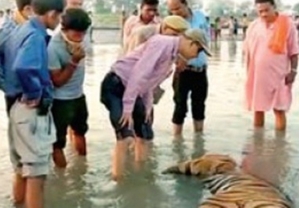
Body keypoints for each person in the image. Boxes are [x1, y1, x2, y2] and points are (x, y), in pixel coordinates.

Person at [100, 28, 211, 181]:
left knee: (145, 134)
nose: (196, 56)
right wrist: (127, 107)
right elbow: (139, 73)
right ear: (192, 43)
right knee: (125, 135)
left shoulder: (171, 58)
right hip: (116, 85)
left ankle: (141, 175)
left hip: (133, 89)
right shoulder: (161, 43)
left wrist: (147, 107)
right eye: (198, 51)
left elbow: (148, 84)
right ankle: (118, 181)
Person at [4, 0, 64, 206]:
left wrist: (6, 86)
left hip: (15, 107)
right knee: (36, 175)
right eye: (60, 17)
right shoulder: (36, 36)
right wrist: (35, 93)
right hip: (31, 110)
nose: (59, 22)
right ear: (52, 14)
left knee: (22, 169)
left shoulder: (18, 30)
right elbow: (23, 67)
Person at [243, 0, 299, 131]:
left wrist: (293, 71)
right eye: (260, 11)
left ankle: (279, 147)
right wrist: (247, 74)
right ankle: (257, 144)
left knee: (279, 109)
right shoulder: (253, 26)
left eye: (266, 10)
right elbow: (247, 52)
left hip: (279, 75)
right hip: (257, 75)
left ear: (274, 7)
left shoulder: (287, 24)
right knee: (258, 108)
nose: (263, 14)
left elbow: (294, 51)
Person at [48, 8, 91, 168]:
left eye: (83, 33)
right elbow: (57, 81)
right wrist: (74, 61)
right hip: (60, 101)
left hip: (79, 96)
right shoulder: (53, 47)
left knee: (80, 132)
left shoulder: (82, 38)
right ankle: (63, 178)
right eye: (76, 34)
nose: (80, 38)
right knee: (57, 143)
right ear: (64, 29)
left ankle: (82, 171)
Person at [167, 0, 211, 136]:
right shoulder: (172, 23)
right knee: (180, 106)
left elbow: (206, 38)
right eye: (172, 10)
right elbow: (169, 46)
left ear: (186, 4)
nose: (175, 12)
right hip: (183, 70)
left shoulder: (200, 16)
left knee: (199, 105)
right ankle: (177, 140)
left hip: (200, 69)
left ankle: (199, 139)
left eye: (178, 8)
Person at [0, 0, 34, 99]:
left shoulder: (30, 27)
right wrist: (6, 86)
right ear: (27, 9)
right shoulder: (9, 32)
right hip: (19, 93)